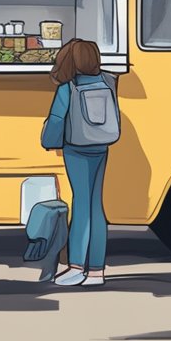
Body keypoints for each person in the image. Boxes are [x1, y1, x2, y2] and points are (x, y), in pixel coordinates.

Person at [42, 39, 116, 288]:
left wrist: (49, 142)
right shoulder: (108, 81)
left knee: (81, 205)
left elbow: (55, 122)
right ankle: (96, 271)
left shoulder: (68, 88)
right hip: (101, 147)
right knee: (96, 206)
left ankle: (76, 267)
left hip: (77, 150)